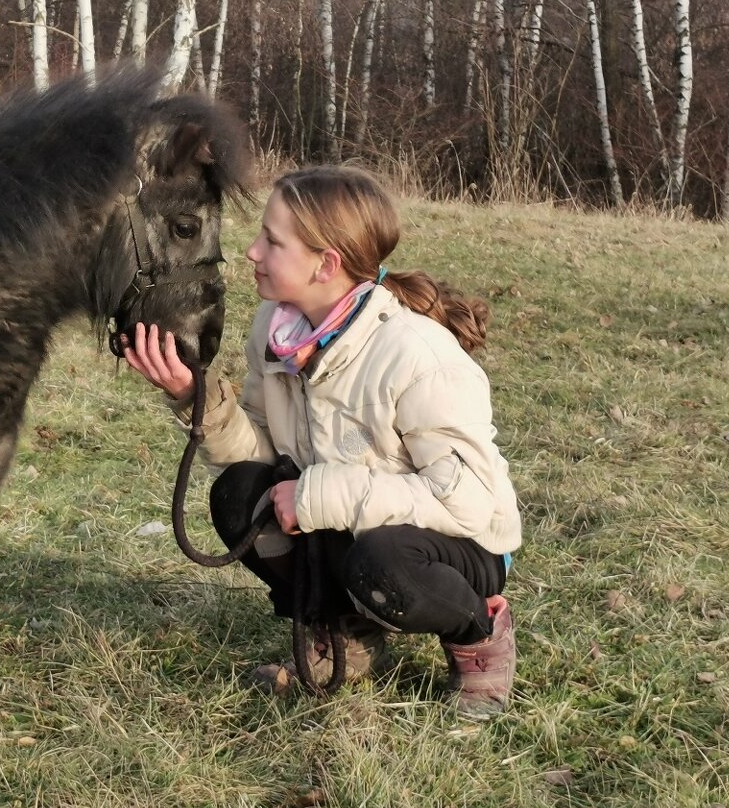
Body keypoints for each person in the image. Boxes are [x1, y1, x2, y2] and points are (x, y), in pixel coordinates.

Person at [121, 165, 522, 719]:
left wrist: (316, 496)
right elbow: (263, 453)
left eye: (272, 241)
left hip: (456, 545)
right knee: (240, 495)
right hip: (348, 524)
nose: (252, 253)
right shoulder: (276, 327)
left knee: (384, 561)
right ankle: (346, 630)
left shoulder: (417, 355)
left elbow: (468, 502)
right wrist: (194, 394)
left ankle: (481, 633)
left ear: (326, 264)